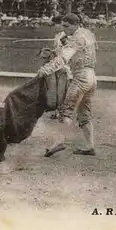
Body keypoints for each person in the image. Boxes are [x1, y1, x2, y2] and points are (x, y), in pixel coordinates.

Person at [37, 13, 98, 156]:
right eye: (63, 26)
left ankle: (59, 142)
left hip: (81, 77)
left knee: (67, 109)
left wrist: (46, 69)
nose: (64, 29)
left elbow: (64, 58)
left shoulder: (77, 38)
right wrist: (53, 52)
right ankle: (90, 146)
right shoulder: (87, 34)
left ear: (76, 25)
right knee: (84, 112)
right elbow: (73, 52)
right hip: (91, 77)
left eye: (67, 26)